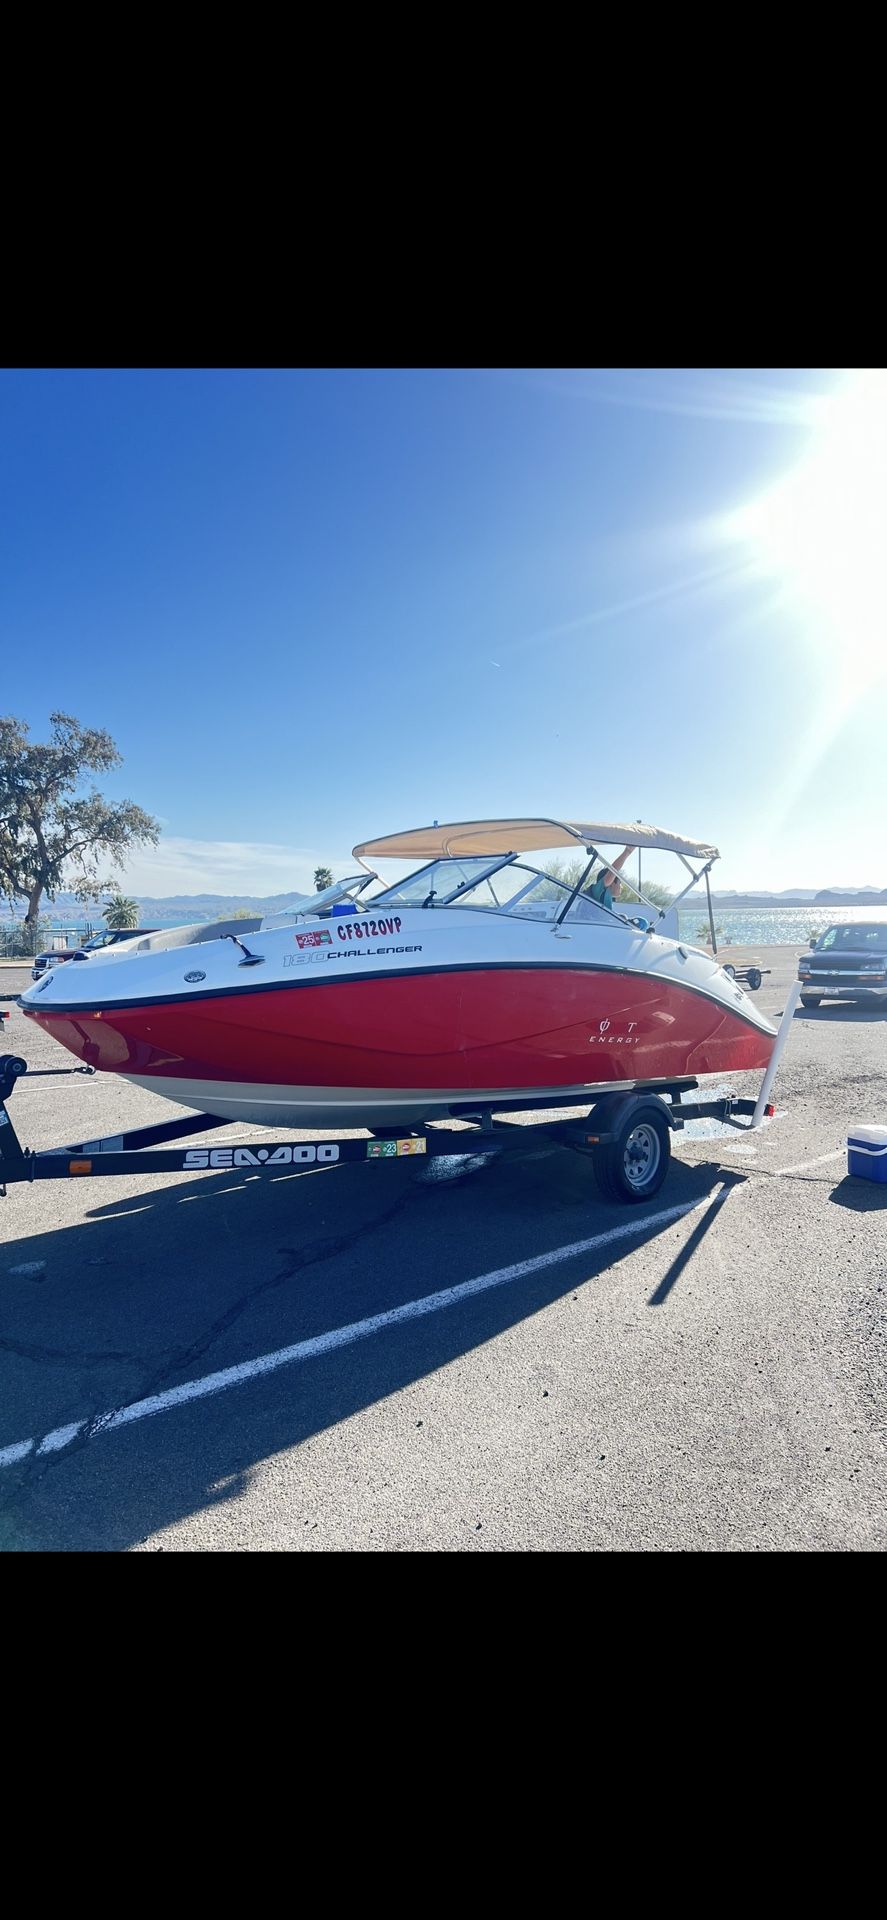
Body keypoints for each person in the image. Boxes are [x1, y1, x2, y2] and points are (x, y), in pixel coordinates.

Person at [588, 847, 633, 912]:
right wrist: (627, 851)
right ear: (611, 882)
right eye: (620, 883)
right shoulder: (598, 891)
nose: (622, 887)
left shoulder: (605, 898)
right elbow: (613, 870)